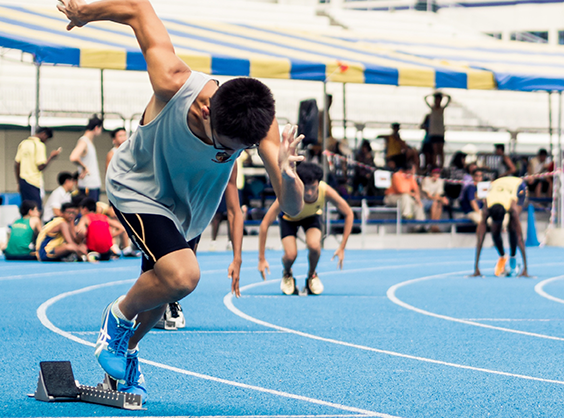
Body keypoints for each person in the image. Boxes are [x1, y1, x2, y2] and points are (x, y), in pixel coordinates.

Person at [58, 0, 304, 404]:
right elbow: (138, 9)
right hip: (137, 187)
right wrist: (89, 12)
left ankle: (128, 348)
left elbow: (292, 207)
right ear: (207, 110)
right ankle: (116, 318)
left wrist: (287, 173)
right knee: (183, 274)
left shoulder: (259, 127)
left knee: (163, 295)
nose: (231, 155)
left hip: (186, 210)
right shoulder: (173, 81)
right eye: (226, 149)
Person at [258, 162, 353, 295]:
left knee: (314, 246)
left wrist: (342, 247)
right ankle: (287, 273)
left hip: (311, 217)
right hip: (289, 219)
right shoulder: (289, 192)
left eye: (313, 188)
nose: (309, 193)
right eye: (305, 188)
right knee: (291, 255)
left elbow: (349, 213)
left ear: (318, 184)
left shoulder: (325, 190)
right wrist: (261, 258)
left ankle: (312, 275)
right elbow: (264, 224)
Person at [472, 176, 528, 277]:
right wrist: (476, 268)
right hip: (497, 184)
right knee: (495, 230)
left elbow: (520, 238)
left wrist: (526, 269)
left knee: (513, 227)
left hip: (517, 185)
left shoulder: (511, 206)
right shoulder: (487, 207)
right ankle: (502, 256)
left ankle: (513, 258)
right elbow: (480, 238)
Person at [14, 127, 61, 211]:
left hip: (23, 181)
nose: (46, 141)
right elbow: (40, 166)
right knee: (37, 210)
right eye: (46, 138)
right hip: (33, 182)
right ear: (44, 134)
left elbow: (17, 164)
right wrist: (51, 157)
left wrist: (19, 182)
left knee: (27, 210)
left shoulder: (23, 143)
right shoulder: (39, 145)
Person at [70, 115, 103, 201]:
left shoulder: (88, 142)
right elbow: (73, 157)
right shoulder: (84, 141)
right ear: (97, 128)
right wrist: (84, 167)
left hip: (92, 184)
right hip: (88, 185)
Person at [424, 91, 451, 168]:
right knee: (435, 150)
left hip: (440, 132)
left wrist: (443, 94)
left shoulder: (441, 109)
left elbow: (449, 98)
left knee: (441, 150)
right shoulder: (432, 108)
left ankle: (441, 165)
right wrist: (432, 93)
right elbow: (425, 98)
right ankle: (435, 165)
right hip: (433, 132)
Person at [421, 168, 448, 232]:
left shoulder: (440, 181)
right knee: (435, 203)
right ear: (431, 173)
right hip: (424, 201)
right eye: (434, 173)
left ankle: (435, 225)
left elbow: (438, 194)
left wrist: (440, 199)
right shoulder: (426, 180)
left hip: (434, 200)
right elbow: (429, 196)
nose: (436, 175)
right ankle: (432, 225)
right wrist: (442, 199)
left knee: (438, 203)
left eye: (438, 173)